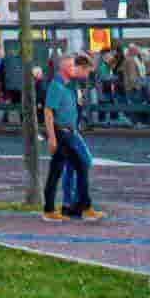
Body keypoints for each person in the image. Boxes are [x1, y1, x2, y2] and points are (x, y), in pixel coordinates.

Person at [42, 55, 103, 222]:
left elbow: (86, 72)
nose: (74, 69)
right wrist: (52, 137)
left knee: (57, 170)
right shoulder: (57, 86)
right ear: (63, 69)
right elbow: (48, 112)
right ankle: (81, 207)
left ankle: (58, 208)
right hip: (62, 133)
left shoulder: (69, 85)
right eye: (71, 67)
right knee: (79, 165)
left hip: (68, 132)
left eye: (74, 66)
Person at [59, 55, 97, 217]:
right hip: (67, 130)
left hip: (67, 129)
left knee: (71, 166)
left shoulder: (73, 83)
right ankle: (75, 203)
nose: (88, 75)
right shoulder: (71, 83)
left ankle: (69, 203)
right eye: (87, 71)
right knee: (84, 161)